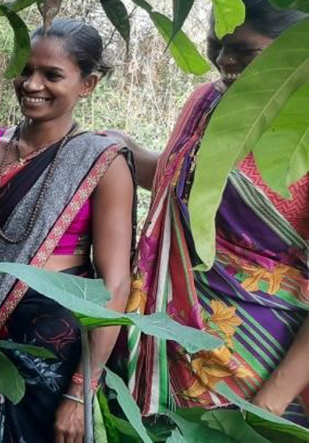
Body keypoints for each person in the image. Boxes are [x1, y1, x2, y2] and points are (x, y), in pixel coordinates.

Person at [121, 0, 309, 424]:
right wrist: (123, 150)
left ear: (295, 52)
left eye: (245, 50)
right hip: (171, 342)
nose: (223, 60)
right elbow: (180, 180)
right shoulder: (207, 103)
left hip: (268, 366)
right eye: (217, 45)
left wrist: (271, 403)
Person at [0, 19, 135, 443]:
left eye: (52, 75)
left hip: (55, 357)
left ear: (87, 85)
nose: (32, 84)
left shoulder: (102, 162)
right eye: (25, 70)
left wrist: (80, 390)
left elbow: (114, 283)